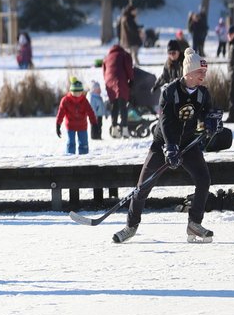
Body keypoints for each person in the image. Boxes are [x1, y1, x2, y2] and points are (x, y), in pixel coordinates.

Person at [113, 48, 215, 244]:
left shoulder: (203, 93)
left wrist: (211, 121)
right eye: (200, 72)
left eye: (205, 72)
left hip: (188, 143)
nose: (204, 75)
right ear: (189, 73)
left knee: (203, 179)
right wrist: (170, 147)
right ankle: (130, 226)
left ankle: (194, 223)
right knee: (143, 187)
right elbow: (166, 122)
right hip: (163, 144)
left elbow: (205, 114)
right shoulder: (170, 91)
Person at [55, 78, 98, 155]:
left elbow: (90, 112)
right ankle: (70, 158)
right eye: (75, 92)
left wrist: (94, 124)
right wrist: (58, 125)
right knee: (71, 143)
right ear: (71, 91)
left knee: (84, 143)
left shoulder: (84, 101)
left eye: (79, 92)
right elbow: (61, 113)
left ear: (82, 92)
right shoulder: (65, 100)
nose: (77, 94)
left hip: (82, 126)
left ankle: (84, 158)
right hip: (70, 126)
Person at [103, 43, 133, 138]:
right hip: (120, 81)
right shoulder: (124, 55)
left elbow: (104, 72)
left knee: (114, 106)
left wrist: (107, 82)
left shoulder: (107, 57)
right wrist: (131, 79)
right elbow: (129, 68)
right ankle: (124, 130)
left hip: (109, 82)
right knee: (123, 106)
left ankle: (114, 129)